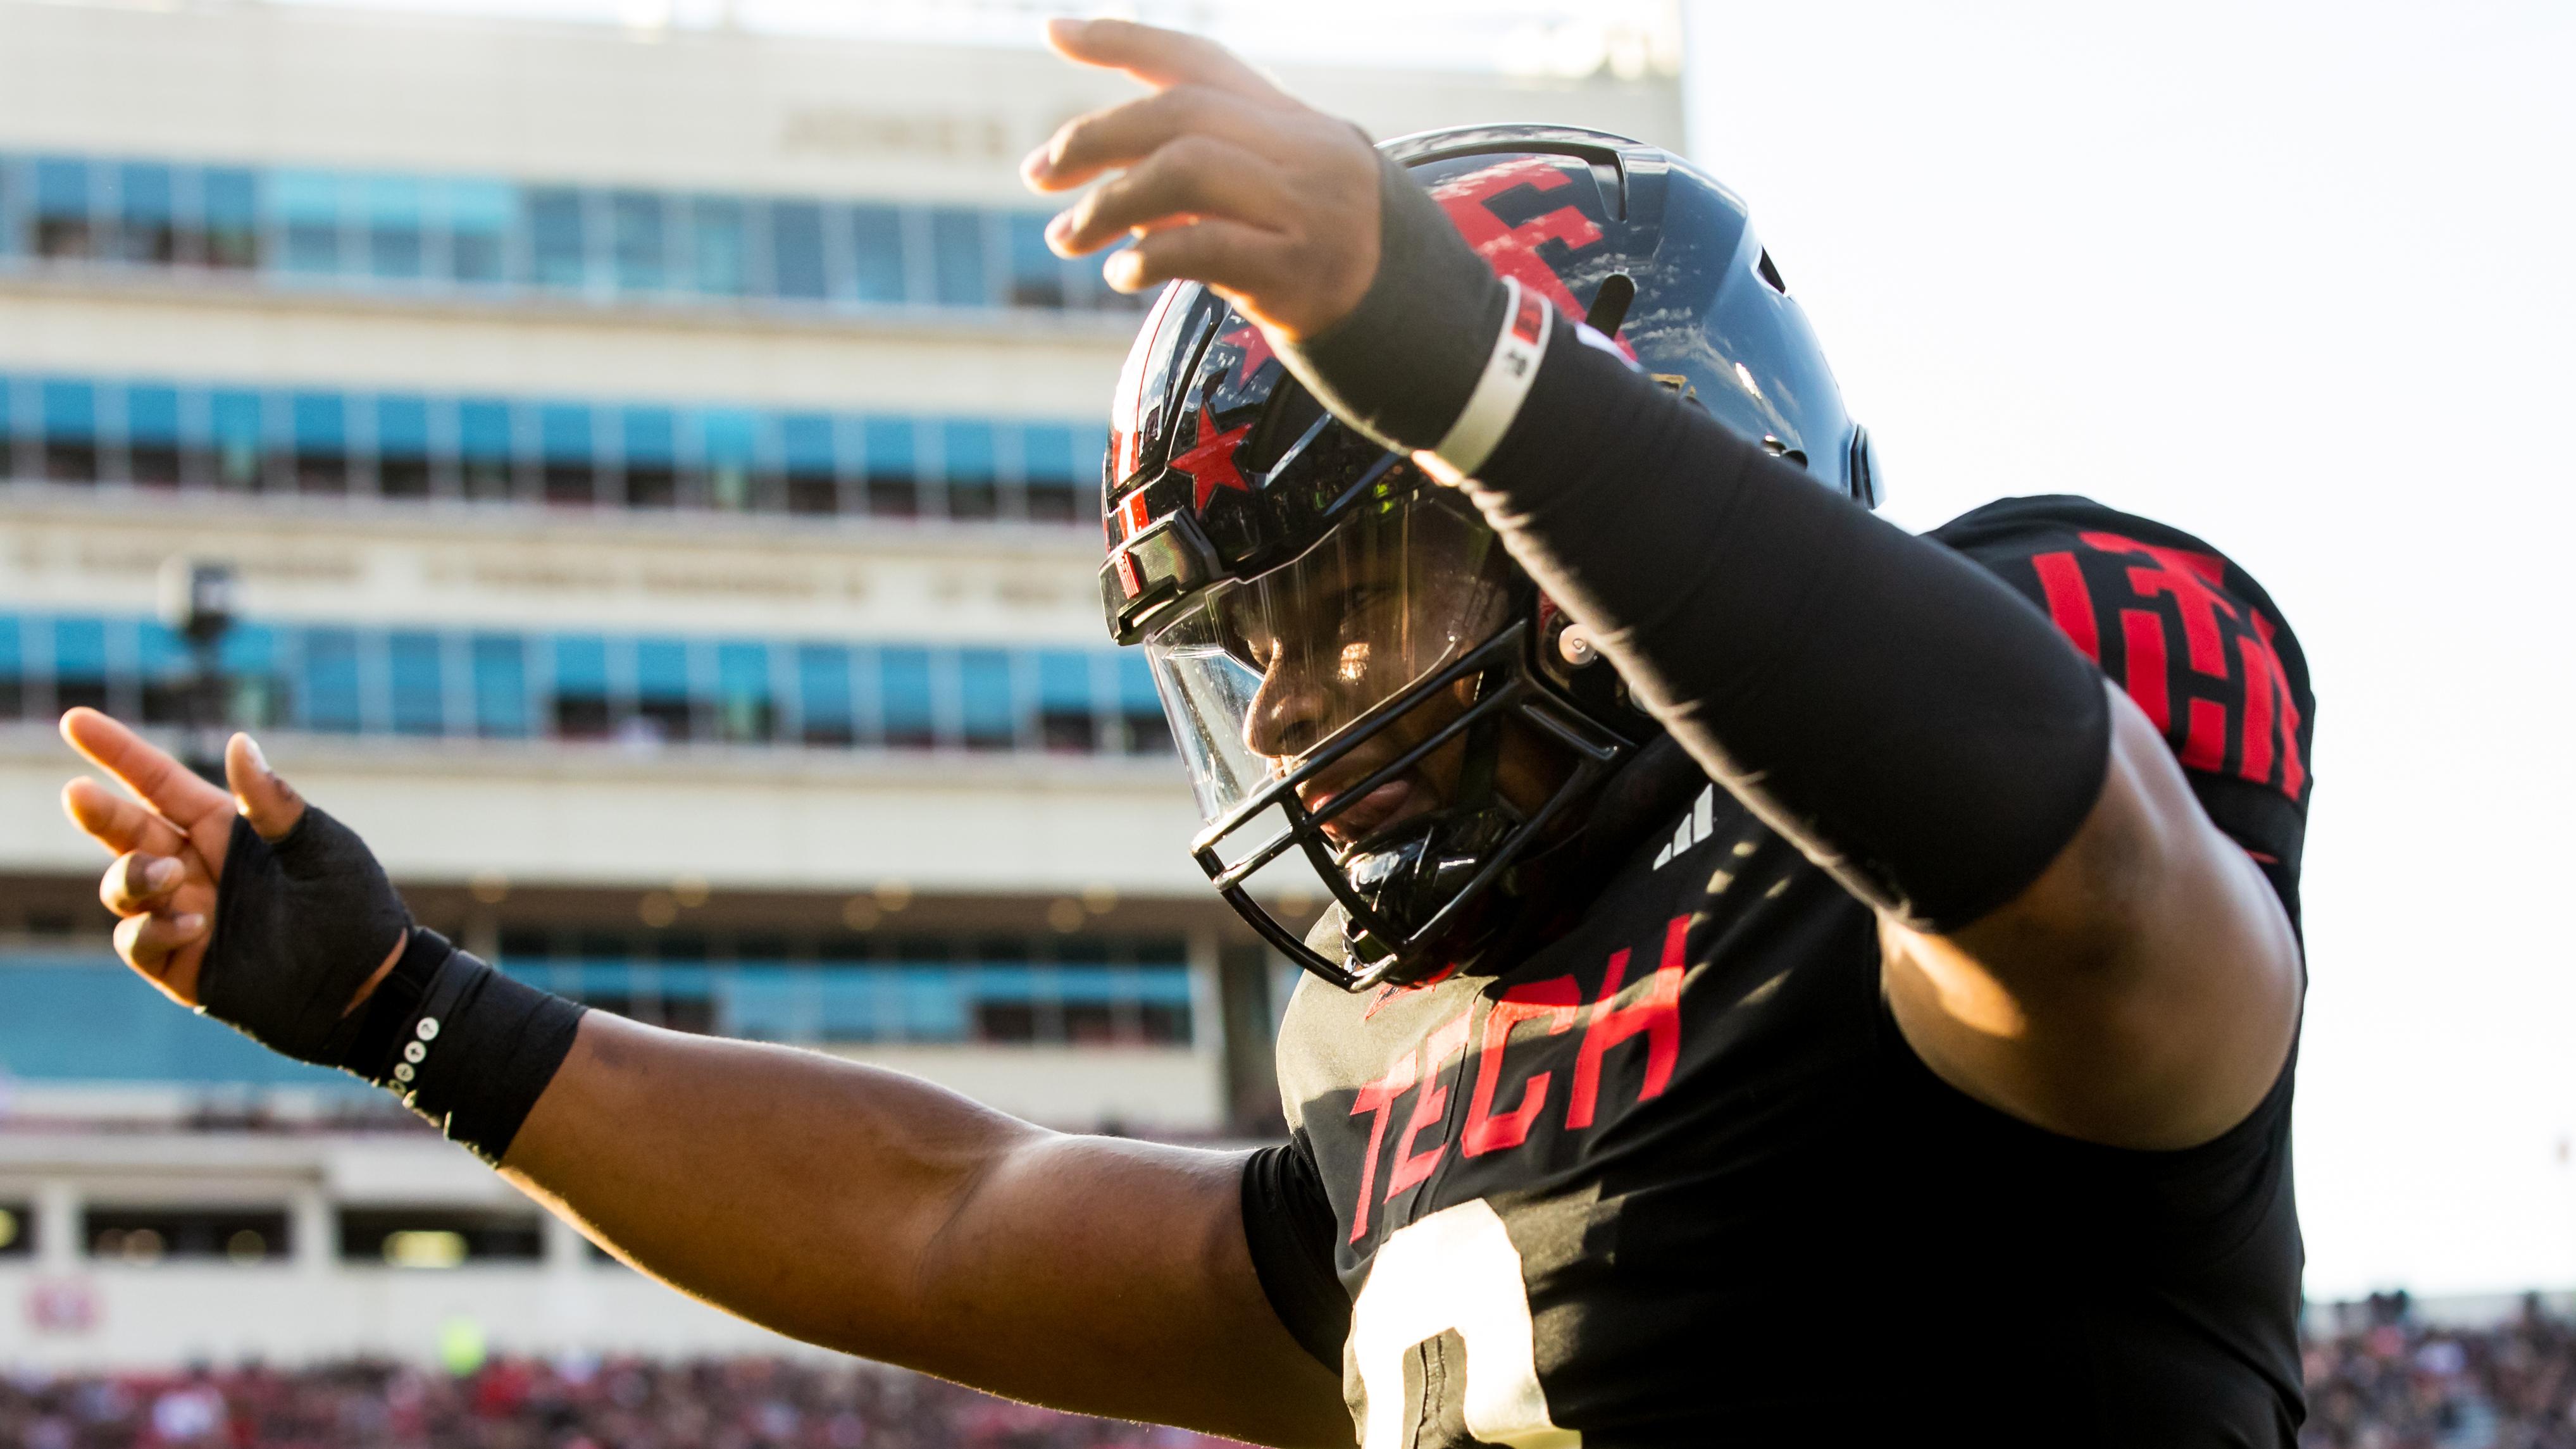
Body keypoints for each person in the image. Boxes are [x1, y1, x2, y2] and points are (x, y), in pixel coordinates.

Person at [58, 18, 2315, 1447]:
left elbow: (2082, 867)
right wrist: (408, 1009)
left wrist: (1461, 366)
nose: (1304, 695)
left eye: (1344, 595)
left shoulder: (1981, 808)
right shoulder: (1432, 1056)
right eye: (1256, 642)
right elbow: (954, 1216)